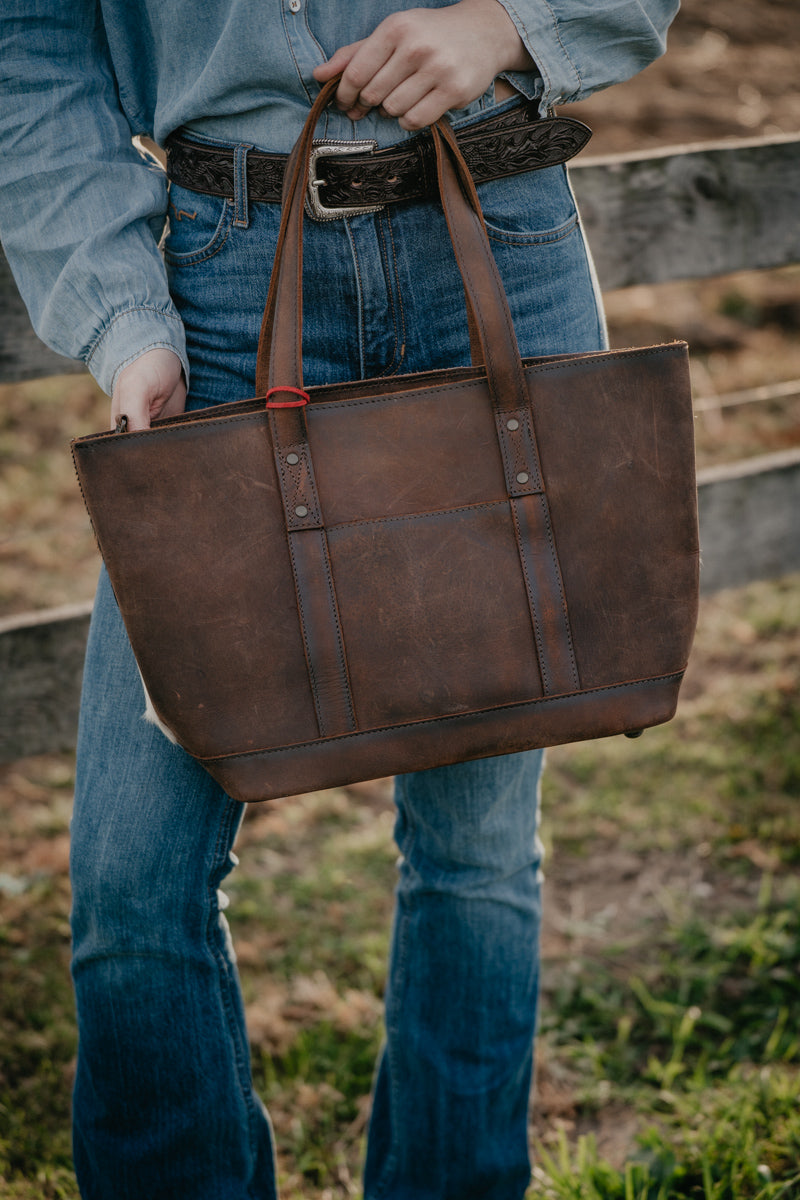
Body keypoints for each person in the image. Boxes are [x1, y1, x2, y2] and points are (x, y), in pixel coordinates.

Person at [0, 2, 679, 1196]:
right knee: (132, 881)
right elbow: (29, 44)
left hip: (493, 228)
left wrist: (512, 22)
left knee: (472, 846)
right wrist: (119, 313)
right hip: (224, 273)